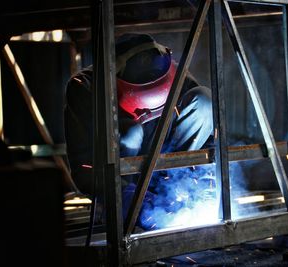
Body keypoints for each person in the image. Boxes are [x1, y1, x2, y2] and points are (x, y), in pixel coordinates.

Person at [64, 33, 214, 226]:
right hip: (121, 180)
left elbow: (208, 136)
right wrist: (119, 195)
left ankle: (175, 185)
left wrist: (203, 177)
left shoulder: (176, 73)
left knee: (203, 100)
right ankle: (123, 201)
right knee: (130, 133)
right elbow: (83, 162)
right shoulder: (86, 88)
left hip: (165, 172)